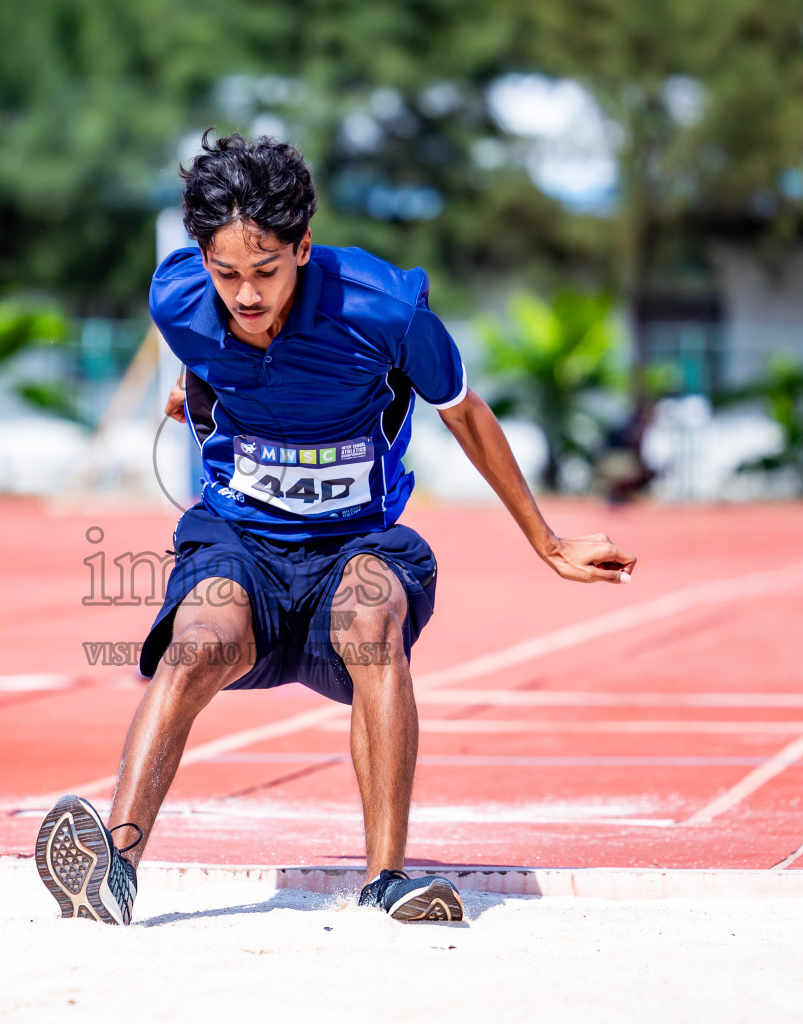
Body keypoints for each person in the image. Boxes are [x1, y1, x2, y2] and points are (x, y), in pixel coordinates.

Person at [36, 132, 637, 925]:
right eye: (227, 275)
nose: (246, 295)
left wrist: (550, 543)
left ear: (304, 248)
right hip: (239, 542)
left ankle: (388, 880)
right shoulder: (177, 299)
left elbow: (465, 413)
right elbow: (207, 352)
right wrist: (195, 385)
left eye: (266, 271)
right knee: (199, 639)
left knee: (372, 620)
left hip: (356, 544)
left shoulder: (383, 308)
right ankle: (114, 867)